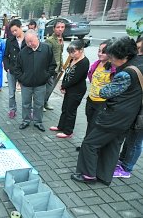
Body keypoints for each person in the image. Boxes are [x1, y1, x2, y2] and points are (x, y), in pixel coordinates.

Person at [72, 37, 143, 186]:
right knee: (112, 146)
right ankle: (104, 176)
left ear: (123, 57)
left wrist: (106, 84)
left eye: (112, 57)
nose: (110, 60)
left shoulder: (125, 74)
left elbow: (105, 92)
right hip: (128, 117)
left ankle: (88, 175)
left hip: (114, 117)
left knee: (90, 144)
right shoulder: (139, 65)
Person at [113, 36, 143, 178]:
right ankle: (123, 161)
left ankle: (126, 168)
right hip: (136, 110)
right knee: (131, 138)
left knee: (135, 141)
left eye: (139, 50)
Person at [15, 29, 56, 132]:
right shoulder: (23, 52)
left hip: (40, 84)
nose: (29, 44)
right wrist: (22, 78)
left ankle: (38, 122)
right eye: (27, 41)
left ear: (37, 38)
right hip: (26, 84)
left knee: (39, 104)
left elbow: (52, 65)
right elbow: (17, 68)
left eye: (31, 41)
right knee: (25, 103)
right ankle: (26, 120)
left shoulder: (46, 49)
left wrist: (46, 76)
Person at [50, 40, 89, 138]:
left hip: (77, 90)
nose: (71, 54)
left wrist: (64, 86)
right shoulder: (72, 59)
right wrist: (63, 85)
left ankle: (68, 131)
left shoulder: (84, 62)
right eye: (70, 52)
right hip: (69, 88)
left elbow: (76, 79)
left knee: (71, 110)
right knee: (65, 108)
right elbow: (67, 73)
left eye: (74, 52)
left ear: (81, 50)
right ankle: (61, 126)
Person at [3, 19, 27, 119]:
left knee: (26, 92)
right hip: (12, 70)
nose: (14, 33)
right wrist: (7, 67)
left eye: (16, 30)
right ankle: (12, 110)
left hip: (25, 71)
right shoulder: (10, 41)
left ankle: (27, 111)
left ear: (21, 27)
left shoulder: (28, 39)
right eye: (12, 31)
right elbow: (5, 56)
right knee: (11, 93)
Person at [44, 19, 66, 111]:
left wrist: (61, 66)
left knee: (51, 88)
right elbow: (46, 56)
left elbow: (60, 54)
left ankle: (45, 102)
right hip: (50, 69)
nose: (60, 29)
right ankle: (41, 104)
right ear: (54, 29)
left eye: (62, 27)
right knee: (48, 88)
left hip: (58, 68)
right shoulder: (50, 41)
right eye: (58, 27)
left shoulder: (61, 39)